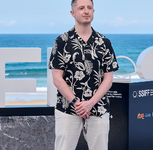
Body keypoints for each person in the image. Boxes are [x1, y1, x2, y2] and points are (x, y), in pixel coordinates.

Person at [48, 0, 119, 149]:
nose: (86, 11)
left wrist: (90, 103)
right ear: (73, 13)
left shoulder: (104, 42)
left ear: (93, 11)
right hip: (67, 109)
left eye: (89, 8)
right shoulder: (62, 41)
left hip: (98, 109)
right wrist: (77, 103)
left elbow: (108, 79)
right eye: (81, 8)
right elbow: (57, 78)